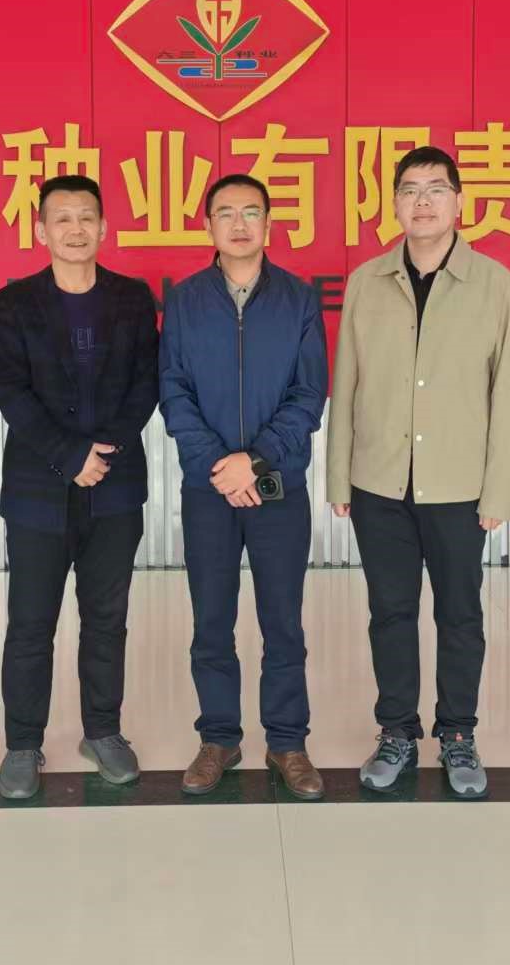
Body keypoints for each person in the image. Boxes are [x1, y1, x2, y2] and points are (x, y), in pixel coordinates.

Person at [327, 146, 510, 798]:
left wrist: (500, 490)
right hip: (379, 482)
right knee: (390, 611)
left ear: (459, 201)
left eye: (436, 188)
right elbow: (347, 381)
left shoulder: (495, 285)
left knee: (460, 614)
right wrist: (338, 477)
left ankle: (459, 733)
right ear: (394, 202)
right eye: (410, 189)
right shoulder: (367, 282)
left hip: (459, 485)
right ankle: (396, 731)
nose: (423, 201)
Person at [0, 175, 160, 799]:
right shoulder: (11, 304)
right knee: (30, 624)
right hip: (38, 491)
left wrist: (100, 454)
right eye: (62, 218)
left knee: (106, 619)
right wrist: (69, 456)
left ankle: (103, 731)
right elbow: (12, 393)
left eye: (86, 217)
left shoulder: (132, 298)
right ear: (41, 230)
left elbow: (146, 383)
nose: (75, 228)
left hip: (114, 488)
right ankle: (22, 743)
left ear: (104, 227)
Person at [158, 174, 329, 800]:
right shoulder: (185, 301)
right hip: (208, 490)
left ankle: (287, 741)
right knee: (212, 619)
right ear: (207, 225)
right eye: (225, 212)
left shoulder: (298, 299)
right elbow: (173, 391)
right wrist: (220, 467)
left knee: (283, 620)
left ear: (269, 223)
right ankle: (219, 738)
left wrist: (253, 461)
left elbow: (309, 393)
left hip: (278, 485)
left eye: (251, 212)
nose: (238, 223)